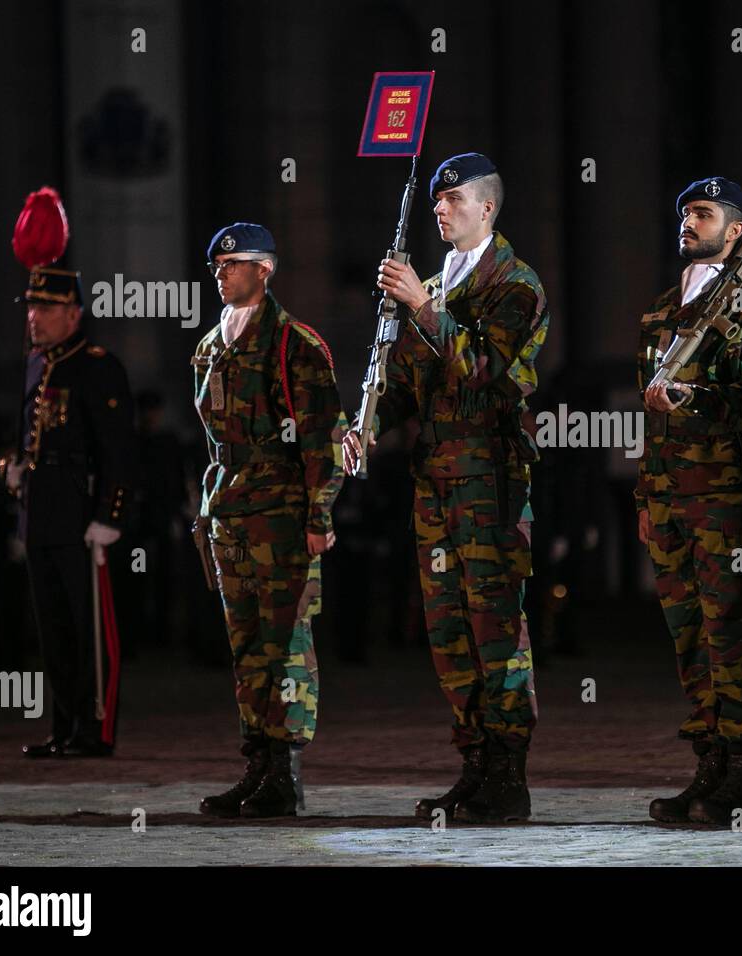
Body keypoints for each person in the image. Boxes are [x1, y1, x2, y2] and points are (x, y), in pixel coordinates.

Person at [342, 152, 549, 823]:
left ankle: (508, 776)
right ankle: (475, 764)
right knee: (449, 631)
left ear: (487, 208)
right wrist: (365, 425)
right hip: (435, 484)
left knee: (496, 627)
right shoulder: (434, 284)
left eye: (454, 199)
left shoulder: (515, 285)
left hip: (489, 479)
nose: (441, 208)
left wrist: (423, 305)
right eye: (437, 200)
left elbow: (483, 369)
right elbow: (405, 384)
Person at [637, 176, 742, 826]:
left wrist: (696, 399)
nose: (688, 223)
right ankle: (708, 768)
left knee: (731, 635)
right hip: (670, 497)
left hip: (724, 494)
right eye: (685, 213)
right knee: (689, 636)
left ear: (737, 232)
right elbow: (651, 420)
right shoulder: (665, 308)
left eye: (703, 213)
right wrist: (647, 492)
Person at [192, 223, 347, 818]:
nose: (223, 272)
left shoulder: (294, 342)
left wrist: (319, 514)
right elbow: (215, 442)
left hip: (282, 513)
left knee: (287, 644)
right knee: (247, 646)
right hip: (230, 512)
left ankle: (285, 773)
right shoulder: (209, 347)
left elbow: (321, 441)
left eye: (235, 263)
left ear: (266, 269)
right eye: (218, 264)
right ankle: (256, 764)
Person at [4, 265, 136, 758]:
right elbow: (23, 443)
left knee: (90, 630)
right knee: (53, 628)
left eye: (46, 307)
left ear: (74, 313)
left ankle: (94, 728)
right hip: (41, 513)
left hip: (82, 518)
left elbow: (119, 451)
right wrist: (10, 469)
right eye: (31, 307)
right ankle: (63, 725)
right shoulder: (37, 365)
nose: (34, 317)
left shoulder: (97, 366)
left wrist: (110, 515)